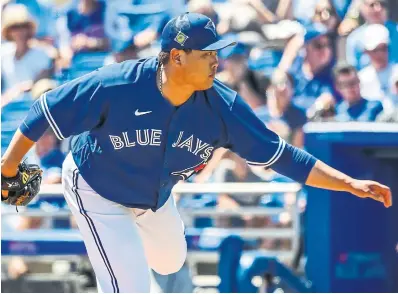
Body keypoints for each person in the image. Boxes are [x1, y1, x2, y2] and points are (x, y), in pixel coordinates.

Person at [1, 12, 392, 293]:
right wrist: (8, 164)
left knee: (170, 262)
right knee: (130, 286)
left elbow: (283, 156)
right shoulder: (117, 84)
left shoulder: (222, 106)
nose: (215, 60)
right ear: (176, 57)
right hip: (96, 187)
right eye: (206, 53)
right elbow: (44, 111)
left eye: (216, 52)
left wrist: (348, 182)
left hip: (154, 198)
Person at [358, 24, 398, 108]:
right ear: (366, 51)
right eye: (375, 50)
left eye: (383, 49)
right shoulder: (361, 78)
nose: (380, 54)